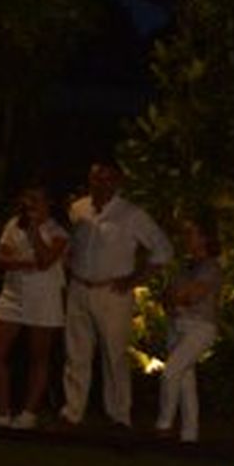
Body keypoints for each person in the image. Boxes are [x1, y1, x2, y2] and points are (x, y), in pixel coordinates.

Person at [60, 161, 174, 428]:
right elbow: (71, 243)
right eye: (95, 178)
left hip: (112, 292)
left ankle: (119, 415)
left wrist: (135, 279)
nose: (99, 184)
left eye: (106, 179)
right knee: (76, 353)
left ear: (117, 182)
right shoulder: (79, 209)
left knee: (114, 355)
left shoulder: (131, 215)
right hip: (79, 287)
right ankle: (72, 411)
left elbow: (163, 250)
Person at [0, 182, 69, 429]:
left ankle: (28, 414)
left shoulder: (58, 230)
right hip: (12, 295)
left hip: (44, 297)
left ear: (48, 201)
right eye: (27, 197)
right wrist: (26, 262)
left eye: (36, 198)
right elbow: (1, 258)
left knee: (38, 356)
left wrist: (33, 234)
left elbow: (45, 260)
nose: (30, 203)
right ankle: (1, 410)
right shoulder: (13, 223)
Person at [155, 212, 224, 443]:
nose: (186, 238)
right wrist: (175, 297)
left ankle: (163, 425)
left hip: (200, 327)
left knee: (171, 372)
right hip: (178, 326)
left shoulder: (211, 267)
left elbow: (192, 296)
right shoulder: (185, 267)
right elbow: (166, 295)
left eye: (191, 233)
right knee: (185, 381)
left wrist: (177, 297)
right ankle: (189, 435)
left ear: (204, 238)